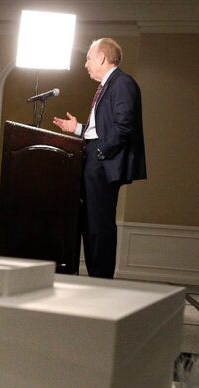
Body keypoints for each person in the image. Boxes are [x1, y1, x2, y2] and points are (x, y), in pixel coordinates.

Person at [53, 38, 146, 279]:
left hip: (101, 163)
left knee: (99, 225)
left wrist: (98, 153)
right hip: (93, 159)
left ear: (103, 58)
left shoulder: (122, 83)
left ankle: (102, 281)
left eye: (89, 58)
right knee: (90, 224)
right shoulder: (108, 85)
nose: (86, 64)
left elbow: (123, 128)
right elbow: (101, 129)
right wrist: (77, 129)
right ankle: (95, 277)